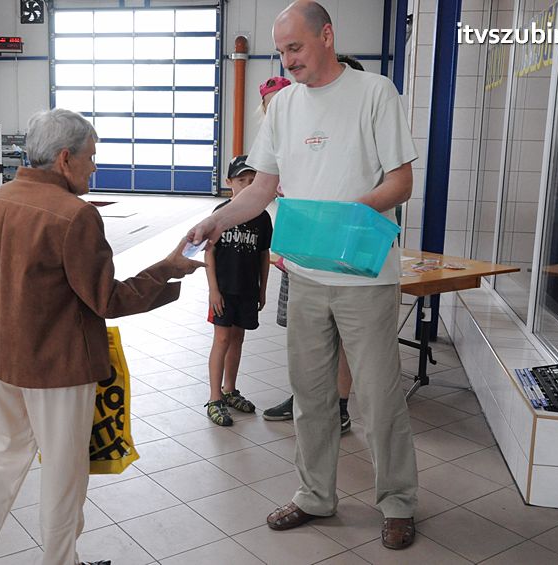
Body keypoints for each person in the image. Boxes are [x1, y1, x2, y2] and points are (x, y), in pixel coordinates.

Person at [187, 1, 418, 550]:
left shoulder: (375, 93)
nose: (287, 60)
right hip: (307, 275)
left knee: (381, 397)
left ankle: (399, 501)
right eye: (281, 50)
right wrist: (215, 220)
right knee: (310, 395)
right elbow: (263, 189)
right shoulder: (284, 108)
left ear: (327, 36)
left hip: (365, 276)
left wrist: (342, 218)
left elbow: (401, 181)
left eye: (295, 47)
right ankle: (316, 495)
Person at [0, 108, 204, 565]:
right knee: (65, 476)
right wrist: (168, 268)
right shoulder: (74, 215)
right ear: (65, 159)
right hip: (56, 366)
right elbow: (106, 300)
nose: (94, 166)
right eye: (90, 157)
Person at [263, 53, 367, 431]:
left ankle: (338, 406)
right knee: (304, 336)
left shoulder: (365, 130)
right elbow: (268, 185)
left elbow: (395, 190)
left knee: (341, 340)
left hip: (348, 258)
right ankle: (306, 397)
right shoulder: (301, 127)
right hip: (302, 253)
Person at [204, 155, 273, 426]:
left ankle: (230, 390)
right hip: (223, 290)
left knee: (237, 339)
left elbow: (263, 256)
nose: (247, 186)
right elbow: (209, 254)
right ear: (229, 182)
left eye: (253, 182)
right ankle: (214, 397)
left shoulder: (262, 218)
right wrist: (213, 291)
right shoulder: (221, 214)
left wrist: (262, 289)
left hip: (247, 289)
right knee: (221, 340)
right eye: (242, 180)